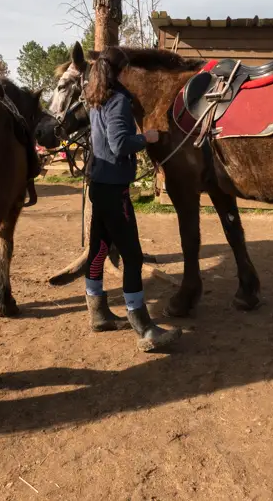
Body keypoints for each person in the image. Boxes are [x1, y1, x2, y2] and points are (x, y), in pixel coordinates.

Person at [82, 48, 182, 352]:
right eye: (127, 70)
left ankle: (98, 312)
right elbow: (120, 143)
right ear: (121, 71)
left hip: (99, 183)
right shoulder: (119, 101)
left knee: (98, 248)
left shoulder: (95, 98)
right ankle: (143, 326)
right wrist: (147, 139)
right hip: (115, 189)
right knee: (133, 257)